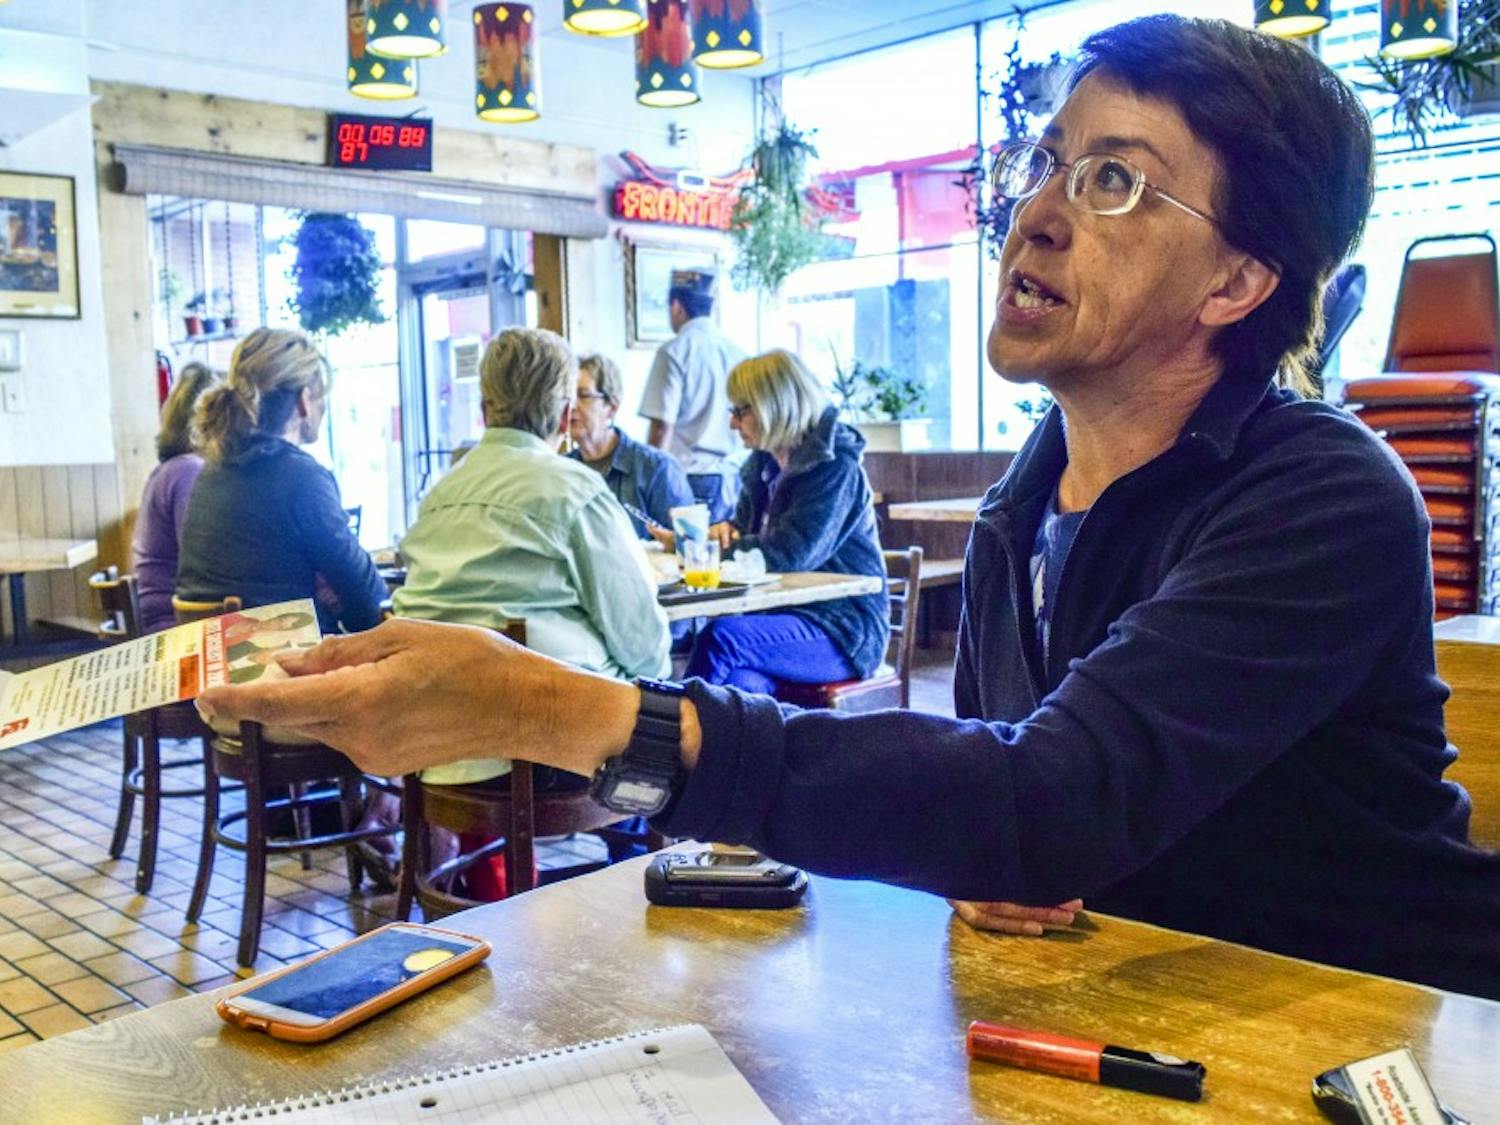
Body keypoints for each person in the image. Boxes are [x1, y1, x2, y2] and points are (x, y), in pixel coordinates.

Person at [200, 16, 1500, 1001]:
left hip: (1380, 1037)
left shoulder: (1323, 492)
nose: (1037, 212)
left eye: (1114, 182)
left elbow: (1043, 804)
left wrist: (539, 703)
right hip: (1144, 1021)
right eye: (1048, 162)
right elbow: (1020, 836)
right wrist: (1004, 857)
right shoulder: (1023, 506)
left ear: (1238, 280)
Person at [392, 326, 671, 789]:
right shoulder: (573, 490)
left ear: (485, 413)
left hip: (438, 753)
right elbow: (643, 644)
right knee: (661, 709)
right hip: (549, 755)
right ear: (565, 417)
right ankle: (634, 854)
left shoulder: (437, 496)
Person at [678, 350, 889, 695]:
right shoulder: (760, 466)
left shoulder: (835, 467)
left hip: (841, 627)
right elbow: (743, 535)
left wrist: (717, 547)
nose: (733, 423)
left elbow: (791, 553)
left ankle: (668, 743)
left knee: (721, 639)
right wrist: (725, 532)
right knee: (738, 687)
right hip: (776, 618)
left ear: (775, 405)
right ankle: (707, 747)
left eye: (740, 411)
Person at [177, 328, 385, 636]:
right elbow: (368, 606)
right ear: (304, 401)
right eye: (320, 396)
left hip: (205, 667)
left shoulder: (210, 473)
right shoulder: (303, 478)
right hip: (284, 671)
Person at [639, 268, 745, 522]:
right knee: (722, 555)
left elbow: (662, 427)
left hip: (690, 477)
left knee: (687, 557)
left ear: (676, 307)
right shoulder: (737, 352)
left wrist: (647, 480)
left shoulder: (674, 351)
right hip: (733, 475)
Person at [131, 362, 220, 633]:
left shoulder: (169, 470)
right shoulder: (189, 472)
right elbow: (200, 560)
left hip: (164, 615)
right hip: (172, 623)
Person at [567, 352, 694, 540]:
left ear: (611, 407)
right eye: (566, 397)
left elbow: (689, 546)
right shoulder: (563, 469)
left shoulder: (657, 469)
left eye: (583, 395)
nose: (571, 406)